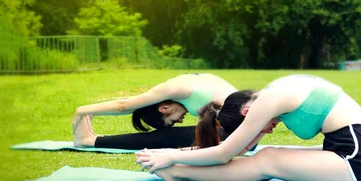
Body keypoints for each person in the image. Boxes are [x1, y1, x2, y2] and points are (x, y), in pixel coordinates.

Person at [136, 75, 361, 181]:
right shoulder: (274, 92)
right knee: (272, 153)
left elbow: (226, 152)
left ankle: (179, 174)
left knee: (268, 160)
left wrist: (172, 158)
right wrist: (179, 151)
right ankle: (179, 169)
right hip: (360, 150)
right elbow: (242, 149)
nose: (267, 130)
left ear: (248, 114)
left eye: (260, 128)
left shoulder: (269, 100)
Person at [72, 73, 239, 150]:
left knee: (162, 138)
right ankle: (92, 138)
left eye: (172, 121)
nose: (180, 121)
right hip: (239, 134)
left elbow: (124, 105)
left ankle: (89, 140)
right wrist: (93, 111)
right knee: (168, 136)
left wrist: (82, 110)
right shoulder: (177, 87)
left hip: (239, 137)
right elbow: (134, 105)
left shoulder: (177, 88)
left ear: (164, 108)